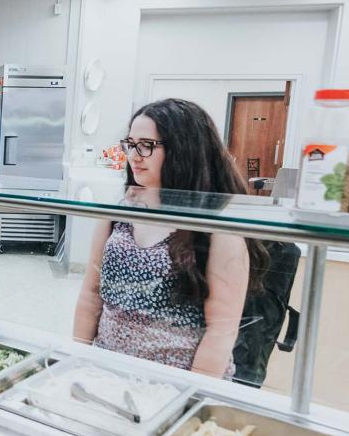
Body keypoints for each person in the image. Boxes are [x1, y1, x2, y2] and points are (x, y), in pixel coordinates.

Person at [73, 98, 267, 377]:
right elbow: (91, 296)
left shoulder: (216, 232)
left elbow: (221, 331)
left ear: (183, 150)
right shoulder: (117, 215)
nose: (134, 156)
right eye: (130, 144)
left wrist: (186, 397)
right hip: (108, 373)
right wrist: (78, 360)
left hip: (173, 384)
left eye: (147, 145)